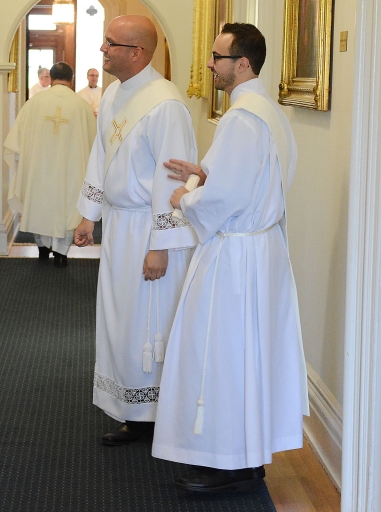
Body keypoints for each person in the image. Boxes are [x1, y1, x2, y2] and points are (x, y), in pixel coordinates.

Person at [152, 23, 308, 492]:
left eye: (217, 58)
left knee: (222, 355)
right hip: (260, 252)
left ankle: (231, 463)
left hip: (236, 258)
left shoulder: (242, 118)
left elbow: (228, 199)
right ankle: (244, 453)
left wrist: (186, 196)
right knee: (247, 354)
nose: (210, 65)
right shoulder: (268, 111)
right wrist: (205, 173)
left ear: (242, 63)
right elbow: (255, 179)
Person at [74, 15, 198, 445]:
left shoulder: (165, 105)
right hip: (120, 228)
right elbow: (101, 152)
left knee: (149, 323)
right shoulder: (112, 94)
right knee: (120, 321)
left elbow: (174, 182)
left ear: (138, 53)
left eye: (111, 44)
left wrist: (161, 246)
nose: (103, 50)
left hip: (150, 232)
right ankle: (132, 409)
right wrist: (90, 213)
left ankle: (158, 414)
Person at [5, 62, 96, 267]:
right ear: (71, 80)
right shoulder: (81, 105)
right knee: (67, 205)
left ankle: (42, 249)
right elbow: (94, 143)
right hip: (70, 170)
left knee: (40, 203)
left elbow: (17, 138)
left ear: (51, 77)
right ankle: (62, 253)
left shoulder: (35, 102)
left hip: (40, 167)